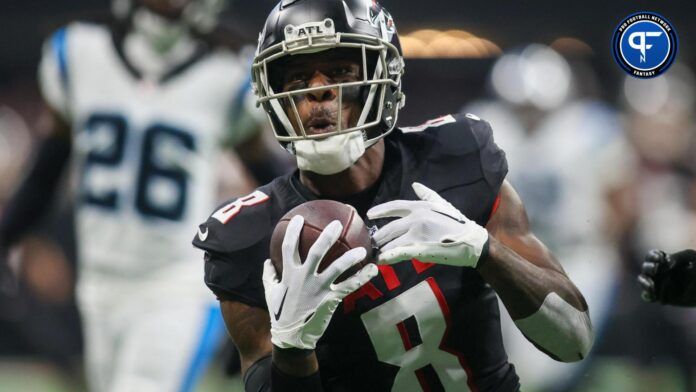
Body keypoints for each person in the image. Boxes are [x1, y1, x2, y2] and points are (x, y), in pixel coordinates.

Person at [193, 1, 593, 390]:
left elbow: (573, 339)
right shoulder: (247, 234)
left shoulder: (458, 157)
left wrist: (484, 250)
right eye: (298, 81)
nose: (319, 93)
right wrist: (293, 346)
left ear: (384, 78)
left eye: (340, 72)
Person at [0, 0, 286, 390]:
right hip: (97, 288)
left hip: (178, 286)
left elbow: (272, 180)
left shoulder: (228, 73)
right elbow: (45, 172)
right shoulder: (79, 52)